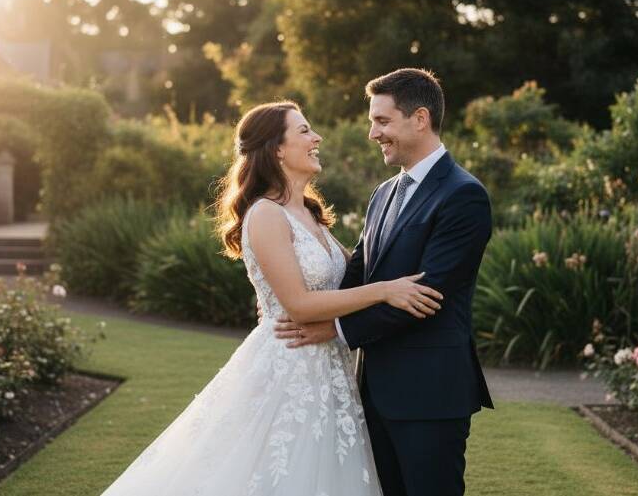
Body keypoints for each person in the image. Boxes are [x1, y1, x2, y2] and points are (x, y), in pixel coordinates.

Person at [99, 100, 443, 496]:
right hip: (288, 368)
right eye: (304, 131)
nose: (317, 138)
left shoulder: (310, 216)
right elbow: (298, 304)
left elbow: (346, 281)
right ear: (276, 148)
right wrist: (387, 291)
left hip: (329, 370)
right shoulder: (265, 214)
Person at [271, 68, 494, 496]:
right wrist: (300, 300)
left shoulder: (463, 195)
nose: (373, 133)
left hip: (429, 393)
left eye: (382, 121)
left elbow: (425, 296)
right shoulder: (384, 193)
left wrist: (334, 329)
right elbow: (359, 273)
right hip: (373, 389)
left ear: (421, 119)